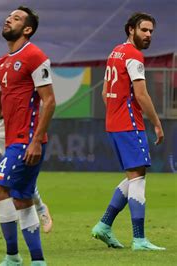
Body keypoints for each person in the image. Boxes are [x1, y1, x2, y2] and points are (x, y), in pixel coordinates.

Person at [0, 6, 55, 266]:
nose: (8, 19)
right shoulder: (2, 65)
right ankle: (37, 261)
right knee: (23, 200)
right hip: (14, 140)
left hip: (27, 141)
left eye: (16, 18)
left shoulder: (35, 55)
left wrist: (36, 140)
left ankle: (13, 256)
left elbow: (49, 101)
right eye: (9, 16)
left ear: (27, 29)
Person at [91, 12, 165, 251]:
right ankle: (139, 239)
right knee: (138, 178)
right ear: (131, 29)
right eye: (144, 30)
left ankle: (104, 225)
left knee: (134, 175)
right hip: (130, 124)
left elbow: (104, 93)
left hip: (114, 122)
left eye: (151, 31)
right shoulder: (134, 55)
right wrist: (157, 123)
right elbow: (141, 94)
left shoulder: (116, 52)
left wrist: (116, 111)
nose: (148, 35)